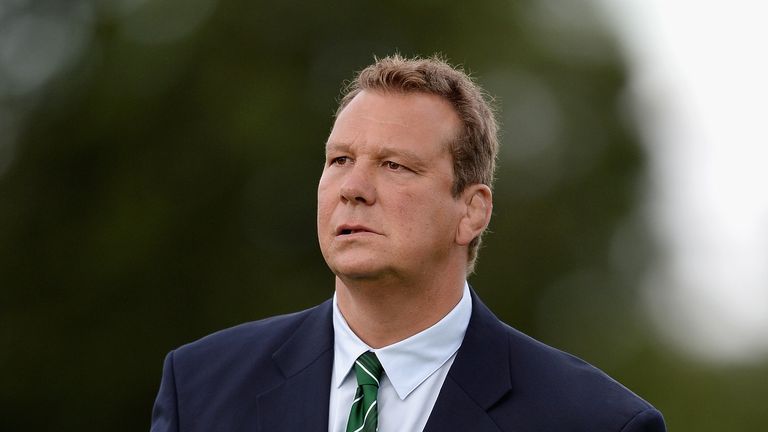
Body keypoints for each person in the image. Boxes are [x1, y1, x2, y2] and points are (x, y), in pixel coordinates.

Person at [150, 54, 667, 432]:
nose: (353, 188)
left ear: (472, 211)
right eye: (340, 160)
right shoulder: (200, 387)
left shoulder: (596, 422)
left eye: (395, 166)